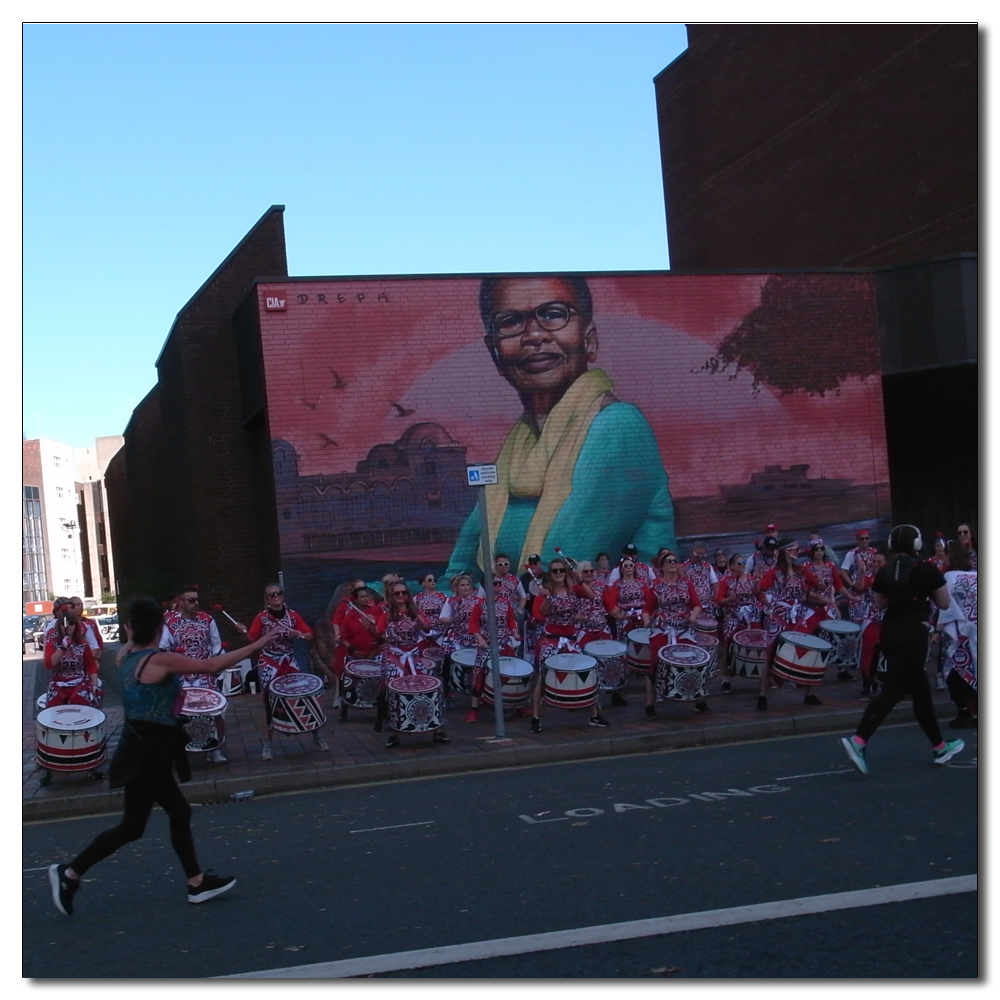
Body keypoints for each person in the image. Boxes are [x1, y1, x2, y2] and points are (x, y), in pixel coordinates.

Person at [47, 597, 282, 916]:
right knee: (170, 814)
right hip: (149, 750)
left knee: (137, 825)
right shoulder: (158, 660)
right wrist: (258, 645)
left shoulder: (124, 657)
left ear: (132, 628)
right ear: (160, 627)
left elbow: (132, 640)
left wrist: (132, 635)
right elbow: (213, 665)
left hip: (141, 745)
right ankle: (191, 883)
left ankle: (73, 874)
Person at [445, 275, 676, 577]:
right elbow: (461, 569)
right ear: (495, 353)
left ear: (589, 339)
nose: (533, 335)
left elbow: (559, 569)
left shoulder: (619, 427)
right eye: (511, 321)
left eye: (554, 314)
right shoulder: (519, 446)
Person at [840, 524, 964, 774]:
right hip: (913, 634)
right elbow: (943, 601)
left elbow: (878, 604)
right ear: (916, 544)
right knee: (894, 689)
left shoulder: (885, 570)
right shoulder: (924, 568)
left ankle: (939, 746)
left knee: (920, 691)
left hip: (890, 632)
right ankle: (859, 740)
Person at [246, 584, 328, 760]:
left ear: (283, 596)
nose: (275, 596)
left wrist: (300, 634)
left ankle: (317, 737)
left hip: (289, 660)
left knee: (305, 696)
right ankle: (267, 745)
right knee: (268, 702)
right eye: (271, 594)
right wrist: (263, 638)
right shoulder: (262, 618)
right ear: (267, 599)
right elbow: (252, 639)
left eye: (278, 593)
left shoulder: (293, 616)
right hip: (269, 662)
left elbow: (309, 635)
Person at [528, 556, 607, 732]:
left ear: (565, 572)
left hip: (571, 639)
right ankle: (535, 717)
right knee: (543, 676)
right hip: (551, 639)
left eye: (561, 570)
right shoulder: (545, 591)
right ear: (550, 573)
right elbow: (542, 613)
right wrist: (547, 599)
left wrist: (580, 581)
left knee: (586, 671)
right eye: (555, 570)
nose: (558, 573)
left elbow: (592, 596)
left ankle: (594, 715)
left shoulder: (573, 589)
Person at [159, 587, 228, 764]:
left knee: (215, 710)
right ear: (180, 602)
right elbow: (164, 648)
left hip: (205, 672)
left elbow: (216, 645)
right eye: (191, 600)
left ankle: (215, 750)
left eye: (197, 600)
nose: (196, 603)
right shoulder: (168, 622)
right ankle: (178, 750)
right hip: (181, 675)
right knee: (176, 713)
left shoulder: (207, 620)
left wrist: (216, 665)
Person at [754, 539, 824, 711]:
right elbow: (757, 590)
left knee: (808, 649)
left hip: (798, 615)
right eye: (794, 549)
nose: (797, 552)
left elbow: (816, 584)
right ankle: (762, 695)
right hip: (779, 616)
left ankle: (808, 693)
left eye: (798, 549)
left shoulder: (802, 570)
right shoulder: (774, 572)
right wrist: (767, 601)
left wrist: (816, 588)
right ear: (786, 552)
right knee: (770, 653)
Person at [378, 582, 449, 748]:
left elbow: (426, 628)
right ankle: (395, 731)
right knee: (393, 690)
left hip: (414, 654)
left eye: (404, 593)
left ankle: (436, 729)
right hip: (396, 655)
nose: (401, 596)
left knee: (430, 687)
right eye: (397, 594)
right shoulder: (387, 613)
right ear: (391, 596)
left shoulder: (415, 611)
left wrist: (419, 618)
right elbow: (379, 633)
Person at [645, 552, 706, 716]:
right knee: (656, 662)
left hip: (683, 628)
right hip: (663, 628)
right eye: (669, 561)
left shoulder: (686, 583)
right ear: (662, 566)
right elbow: (647, 609)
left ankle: (699, 700)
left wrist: (693, 617)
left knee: (695, 659)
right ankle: (650, 704)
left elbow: (696, 604)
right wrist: (646, 621)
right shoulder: (656, 586)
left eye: (675, 561)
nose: (673, 563)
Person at [466, 581, 522, 723]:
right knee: (479, 674)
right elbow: (473, 625)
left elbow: (511, 620)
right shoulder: (479, 604)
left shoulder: (506, 603)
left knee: (514, 671)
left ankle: (518, 705)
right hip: (486, 643)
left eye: (498, 583)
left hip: (503, 643)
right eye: (494, 583)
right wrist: (481, 640)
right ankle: (474, 709)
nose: (497, 586)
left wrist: (514, 632)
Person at [937, 541, 977, 729]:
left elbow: (946, 606)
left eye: (946, 553)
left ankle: (965, 712)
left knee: (956, 675)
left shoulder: (949, 577)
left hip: (963, 635)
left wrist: (938, 628)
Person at [715, 553, 762, 691]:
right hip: (734, 616)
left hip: (752, 616)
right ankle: (726, 678)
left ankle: (761, 674)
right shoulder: (726, 582)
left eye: (744, 563)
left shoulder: (753, 580)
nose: (742, 566)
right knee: (727, 644)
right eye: (739, 563)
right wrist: (729, 600)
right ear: (732, 566)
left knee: (759, 642)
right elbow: (718, 600)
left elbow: (761, 596)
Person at [602, 555, 653, 643]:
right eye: (625, 566)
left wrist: (648, 613)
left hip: (642, 615)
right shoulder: (617, 584)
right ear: (621, 569)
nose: (628, 568)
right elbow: (611, 602)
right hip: (625, 617)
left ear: (634, 568)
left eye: (631, 565)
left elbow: (649, 599)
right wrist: (617, 613)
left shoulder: (641, 582)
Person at [681, 542, 719, 615]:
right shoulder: (683, 567)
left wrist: (717, 599)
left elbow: (715, 583)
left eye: (702, 557)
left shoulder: (707, 566)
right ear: (691, 553)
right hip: (692, 605)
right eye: (697, 556)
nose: (700, 559)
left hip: (708, 604)